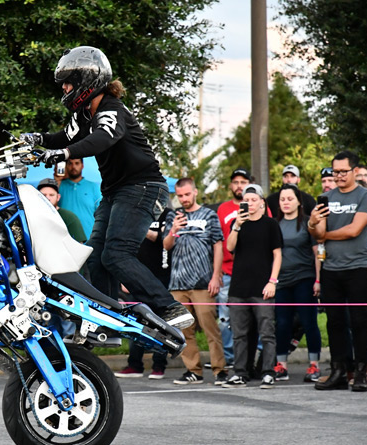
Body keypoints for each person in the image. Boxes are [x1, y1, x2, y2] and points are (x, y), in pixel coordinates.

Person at [21, 46, 193, 331]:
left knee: (116, 254)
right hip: (115, 191)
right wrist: (38, 139)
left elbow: (102, 138)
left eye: (68, 82)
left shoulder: (111, 109)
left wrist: (64, 154)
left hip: (142, 187)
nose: (64, 88)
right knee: (96, 255)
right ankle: (107, 317)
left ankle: (169, 307)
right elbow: (64, 137)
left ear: (86, 81)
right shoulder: (83, 114)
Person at [309, 150, 367, 392]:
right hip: (331, 268)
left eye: (343, 171)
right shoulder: (326, 197)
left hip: (357, 267)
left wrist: (325, 234)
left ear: (355, 171)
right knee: (334, 322)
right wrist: (313, 223)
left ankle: (360, 372)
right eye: (335, 172)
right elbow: (317, 234)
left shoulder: (365, 196)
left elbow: (354, 230)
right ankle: (338, 371)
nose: (339, 176)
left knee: (359, 321)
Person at [163, 178, 227, 386]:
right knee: (183, 330)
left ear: (195, 192)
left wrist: (216, 276)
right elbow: (166, 245)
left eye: (187, 194)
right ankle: (193, 370)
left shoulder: (209, 215)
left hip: (202, 282)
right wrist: (173, 229)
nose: (184, 199)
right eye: (180, 196)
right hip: (178, 283)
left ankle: (220, 370)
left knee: (210, 328)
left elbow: (218, 245)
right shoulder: (173, 216)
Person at [222, 184, 282, 389]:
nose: (249, 203)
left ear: (262, 203)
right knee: (239, 333)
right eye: (246, 200)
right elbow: (229, 247)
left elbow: (277, 254)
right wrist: (237, 225)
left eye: (253, 200)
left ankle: (268, 372)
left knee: (266, 332)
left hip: (262, 287)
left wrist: (272, 281)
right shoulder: (237, 223)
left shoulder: (270, 224)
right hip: (239, 287)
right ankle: (240, 372)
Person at [272, 184, 323, 382]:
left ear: (299, 201)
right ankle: (281, 366)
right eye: (282, 199)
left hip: (304, 279)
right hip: (282, 282)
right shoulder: (275, 224)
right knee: (282, 324)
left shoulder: (308, 223)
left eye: (290, 199)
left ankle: (314, 365)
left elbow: (317, 253)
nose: (286, 202)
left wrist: (318, 280)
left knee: (309, 323)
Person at [114, 207, 171, 380]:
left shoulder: (167, 214)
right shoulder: (136, 212)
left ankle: (159, 366)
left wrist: (139, 226)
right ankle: (134, 365)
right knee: (136, 323)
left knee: (160, 324)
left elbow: (160, 238)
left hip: (161, 277)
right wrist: (125, 276)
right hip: (137, 277)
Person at [215, 168, 252, 368]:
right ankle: (229, 357)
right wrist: (217, 271)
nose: (239, 186)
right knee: (225, 318)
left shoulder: (258, 206)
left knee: (256, 316)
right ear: (231, 185)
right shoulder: (223, 209)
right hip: (228, 271)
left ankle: (256, 355)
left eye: (243, 182)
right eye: (236, 182)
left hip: (253, 272)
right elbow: (219, 242)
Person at [55, 158, 102, 239]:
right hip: (65, 238)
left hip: (90, 238)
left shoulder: (93, 187)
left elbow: (101, 213)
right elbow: (50, 206)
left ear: (82, 166)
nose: (73, 167)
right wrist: (57, 181)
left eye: (77, 163)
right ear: (66, 166)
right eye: (70, 163)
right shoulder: (59, 186)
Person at [37, 178, 87, 242]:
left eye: (51, 195)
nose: (47, 198)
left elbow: (79, 245)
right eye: (43, 195)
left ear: (58, 197)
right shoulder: (30, 216)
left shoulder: (69, 217)